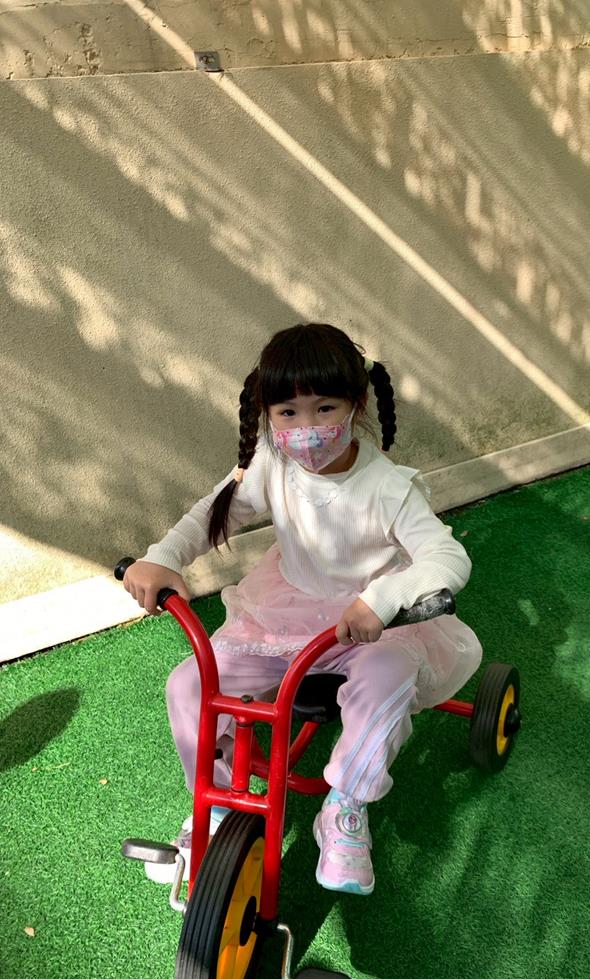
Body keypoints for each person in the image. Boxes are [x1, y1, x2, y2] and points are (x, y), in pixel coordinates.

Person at [123, 323, 482, 895]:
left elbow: (448, 556)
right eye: (288, 413)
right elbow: (214, 512)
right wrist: (163, 557)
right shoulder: (271, 461)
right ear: (267, 414)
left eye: (324, 409)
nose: (306, 430)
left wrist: (384, 599)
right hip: (281, 615)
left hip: (364, 624)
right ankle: (215, 806)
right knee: (189, 685)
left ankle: (344, 805)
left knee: (388, 678)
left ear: (357, 404)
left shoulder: (388, 487)